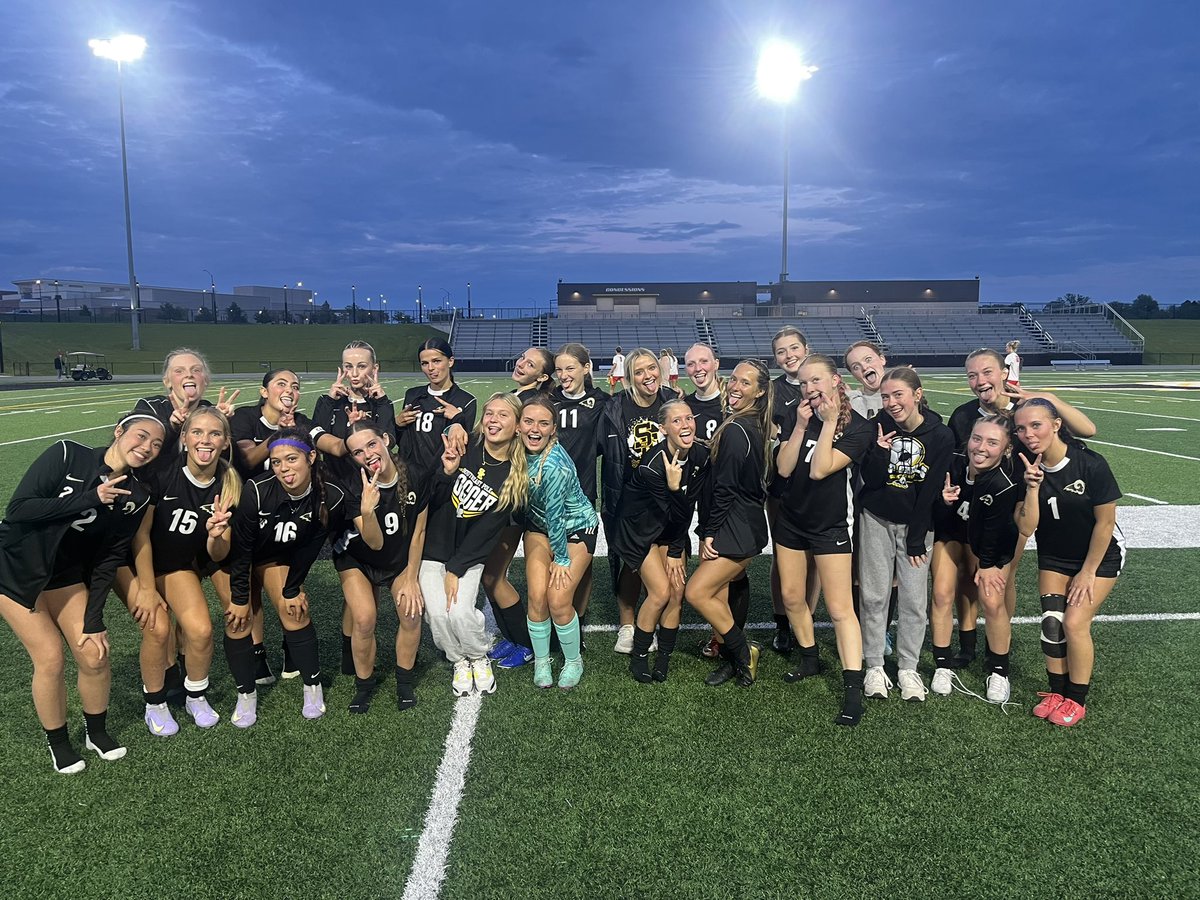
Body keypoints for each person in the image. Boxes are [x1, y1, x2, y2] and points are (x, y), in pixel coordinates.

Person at [0, 411, 164, 773]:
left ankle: (96, 732)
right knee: (51, 658)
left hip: (65, 576)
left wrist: (95, 619)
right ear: (119, 431)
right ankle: (59, 742)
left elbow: (109, 558)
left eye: (155, 444)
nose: (147, 447)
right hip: (15, 569)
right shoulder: (67, 454)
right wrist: (90, 497)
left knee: (94, 653)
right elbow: (20, 510)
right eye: (140, 436)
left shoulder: (137, 494)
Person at [945, 348, 1096, 669]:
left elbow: (1087, 430)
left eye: (987, 372)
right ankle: (968, 643)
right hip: (980, 505)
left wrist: (1046, 397)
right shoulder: (962, 415)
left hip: (1020, 505)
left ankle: (998, 647)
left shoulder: (1026, 411)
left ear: (1003, 373)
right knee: (968, 576)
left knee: (1002, 578)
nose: (980, 381)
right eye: (972, 375)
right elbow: (962, 464)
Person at [128, 407, 241, 734]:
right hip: (138, 561)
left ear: (225, 442)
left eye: (215, 434)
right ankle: (155, 703)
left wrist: (217, 534)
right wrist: (147, 590)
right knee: (157, 627)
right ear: (185, 438)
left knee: (201, 630)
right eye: (198, 432)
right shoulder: (163, 472)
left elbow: (217, 553)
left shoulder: (230, 482)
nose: (205, 440)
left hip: (176, 564)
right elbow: (141, 536)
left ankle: (195, 695)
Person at [774, 355, 874, 726]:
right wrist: (801, 426)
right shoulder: (796, 415)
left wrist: (828, 422)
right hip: (791, 522)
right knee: (791, 598)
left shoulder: (858, 428)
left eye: (816, 380)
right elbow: (784, 469)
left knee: (839, 609)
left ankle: (852, 688)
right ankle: (810, 657)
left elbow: (819, 470)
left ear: (836, 382)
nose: (809, 389)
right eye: (803, 383)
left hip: (830, 525)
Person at [225, 428, 348, 723]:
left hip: (276, 558)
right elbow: (241, 550)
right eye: (276, 462)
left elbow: (309, 549)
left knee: (294, 611)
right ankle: (246, 695)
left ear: (311, 457)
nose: (284, 468)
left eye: (291, 459)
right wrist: (240, 597)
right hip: (241, 556)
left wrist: (292, 588)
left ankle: (312, 685)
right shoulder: (256, 490)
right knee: (237, 618)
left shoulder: (330, 496)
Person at [1015, 398, 1124, 727]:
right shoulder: (1024, 467)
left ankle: (1077, 698)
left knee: (1074, 623)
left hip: (1099, 555)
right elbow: (1026, 527)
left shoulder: (1090, 464)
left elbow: (1105, 525)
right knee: (1051, 624)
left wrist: (1087, 573)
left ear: (1056, 425)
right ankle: (1057, 692)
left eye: (1036, 425)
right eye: (1021, 428)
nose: (1029, 433)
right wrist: (1031, 487)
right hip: (1054, 556)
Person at [858, 368, 954, 701]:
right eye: (885, 396)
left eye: (898, 394)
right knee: (873, 596)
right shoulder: (878, 426)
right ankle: (873, 665)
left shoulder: (940, 436)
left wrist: (916, 536)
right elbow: (869, 482)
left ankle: (908, 668)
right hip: (876, 520)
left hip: (916, 526)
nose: (891, 402)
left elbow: (929, 490)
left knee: (914, 601)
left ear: (917, 394)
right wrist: (880, 452)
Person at [424, 393, 527, 696]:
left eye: (503, 415)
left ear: (518, 425)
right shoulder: (463, 445)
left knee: (459, 613)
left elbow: (487, 530)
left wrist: (456, 569)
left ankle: (479, 657)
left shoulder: (516, 474)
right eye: (489, 413)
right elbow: (431, 496)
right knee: (438, 615)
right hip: (433, 548)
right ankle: (459, 661)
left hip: (468, 557)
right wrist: (446, 471)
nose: (493, 420)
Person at [685, 360, 773, 687]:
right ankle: (731, 658)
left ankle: (743, 651)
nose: (735, 387)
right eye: (734, 379)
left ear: (760, 391)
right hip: (739, 521)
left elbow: (726, 488)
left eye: (745, 383)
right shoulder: (743, 423)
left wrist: (708, 531)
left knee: (697, 592)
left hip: (735, 526)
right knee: (718, 595)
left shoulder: (737, 429)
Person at [612, 399, 709, 683]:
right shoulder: (652, 467)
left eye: (688, 418)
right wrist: (675, 487)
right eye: (676, 421)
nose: (685, 424)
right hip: (637, 529)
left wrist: (677, 548)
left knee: (677, 591)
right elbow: (675, 509)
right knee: (660, 592)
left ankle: (663, 658)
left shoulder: (701, 455)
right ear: (664, 428)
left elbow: (687, 507)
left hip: (669, 528)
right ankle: (640, 656)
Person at [334, 422, 428, 712]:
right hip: (358, 560)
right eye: (358, 452)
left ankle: (404, 682)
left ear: (386, 440)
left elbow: (418, 533)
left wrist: (411, 577)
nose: (368, 454)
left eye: (372, 444)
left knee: (411, 614)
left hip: (397, 559)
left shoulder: (416, 474)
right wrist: (366, 510)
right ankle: (364, 685)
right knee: (364, 619)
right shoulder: (352, 486)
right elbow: (373, 543)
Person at [938, 416, 1023, 702]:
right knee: (949, 590)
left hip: (989, 545)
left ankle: (999, 670)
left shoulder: (1003, 483)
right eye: (977, 438)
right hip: (952, 535)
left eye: (992, 442)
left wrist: (989, 565)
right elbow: (936, 513)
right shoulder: (953, 465)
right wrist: (943, 501)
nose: (981, 447)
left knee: (991, 597)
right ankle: (954, 656)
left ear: (1006, 448)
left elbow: (999, 532)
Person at [519, 396, 598, 689]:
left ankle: (573, 660)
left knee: (558, 598)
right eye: (528, 421)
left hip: (575, 529)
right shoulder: (516, 450)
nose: (534, 428)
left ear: (554, 428)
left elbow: (555, 517)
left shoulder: (554, 465)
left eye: (543, 423)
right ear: (518, 425)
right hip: (539, 528)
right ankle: (542, 661)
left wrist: (561, 559)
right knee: (537, 596)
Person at [599, 347, 674, 653]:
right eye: (639, 372)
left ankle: (652, 623)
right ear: (629, 377)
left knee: (666, 569)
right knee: (630, 566)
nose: (648, 376)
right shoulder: (615, 407)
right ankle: (627, 625)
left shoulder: (672, 401)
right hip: (626, 500)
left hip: (665, 500)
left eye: (651, 369)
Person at [547, 343, 609, 625]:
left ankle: (579, 622)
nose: (563, 375)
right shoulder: (546, 399)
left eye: (570, 368)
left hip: (582, 497)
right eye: (559, 369)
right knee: (550, 565)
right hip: (544, 495)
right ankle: (553, 621)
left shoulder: (603, 401)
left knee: (580, 568)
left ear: (587, 368)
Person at [766, 326, 812, 654]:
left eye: (793, 348)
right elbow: (765, 432)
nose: (788, 355)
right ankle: (782, 622)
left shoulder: (824, 382)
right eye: (781, 351)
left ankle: (804, 621)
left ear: (806, 348)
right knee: (783, 556)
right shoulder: (771, 390)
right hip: (781, 485)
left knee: (816, 556)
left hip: (819, 485)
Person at [397, 338, 477, 478]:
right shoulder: (412, 395)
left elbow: (461, 448)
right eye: (425, 363)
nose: (430, 368)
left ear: (450, 361)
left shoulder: (466, 401)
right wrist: (397, 424)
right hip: (410, 475)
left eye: (436, 361)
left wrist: (458, 418)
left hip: (441, 477)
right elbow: (403, 441)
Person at [684, 343, 723, 445]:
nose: (697, 368)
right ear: (686, 370)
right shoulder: (684, 406)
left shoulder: (733, 403)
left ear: (716, 364)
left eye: (704, 361)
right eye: (691, 364)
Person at [843, 341, 888, 418]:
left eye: (868, 359)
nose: (864, 367)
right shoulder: (850, 404)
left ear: (882, 359)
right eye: (856, 367)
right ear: (854, 375)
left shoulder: (906, 395)